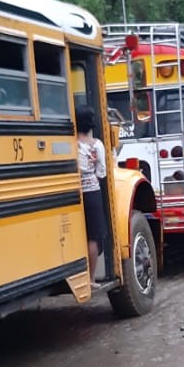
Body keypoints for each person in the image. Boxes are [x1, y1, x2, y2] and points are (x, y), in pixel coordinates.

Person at [76, 108, 108, 281]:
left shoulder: (72, 144)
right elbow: (102, 171)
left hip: (74, 192)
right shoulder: (97, 145)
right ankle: (91, 279)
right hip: (93, 192)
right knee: (93, 238)